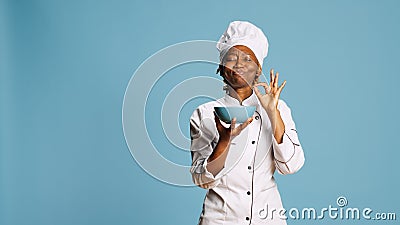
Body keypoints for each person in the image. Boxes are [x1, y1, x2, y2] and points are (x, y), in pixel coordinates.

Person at [189, 21, 305, 225]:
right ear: (221, 68)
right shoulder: (205, 113)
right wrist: (224, 142)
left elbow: (291, 166)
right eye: (231, 58)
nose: (239, 64)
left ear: (258, 68)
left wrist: (272, 112)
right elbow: (202, 179)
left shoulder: (279, 108)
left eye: (247, 58)